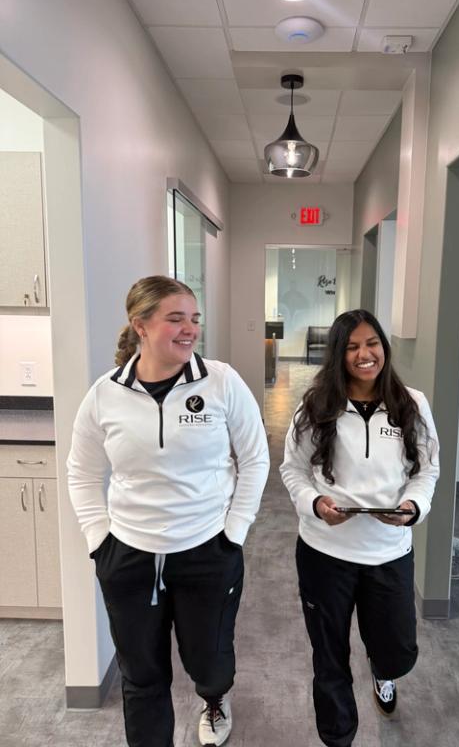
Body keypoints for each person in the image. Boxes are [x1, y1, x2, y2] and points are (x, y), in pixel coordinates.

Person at [67, 275, 270, 747]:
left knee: (210, 660)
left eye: (194, 319)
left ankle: (215, 698)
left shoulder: (220, 382)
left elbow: (255, 457)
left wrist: (233, 532)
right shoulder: (104, 395)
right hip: (129, 557)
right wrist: (100, 540)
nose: (189, 329)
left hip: (207, 551)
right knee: (141, 673)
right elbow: (81, 471)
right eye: (175, 318)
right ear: (139, 325)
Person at [280, 309, 439, 747]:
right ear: (338, 354)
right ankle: (338, 737)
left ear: (384, 347)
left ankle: (383, 671)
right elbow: (292, 470)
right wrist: (314, 503)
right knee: (329, 655)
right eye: (351, 347)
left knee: (395, 648)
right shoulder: (315, 406)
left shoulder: (412, 403)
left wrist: (413, 506)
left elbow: (428, 470)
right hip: (325, 553)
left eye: (372, 343)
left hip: (388, 551)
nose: (364, 354)